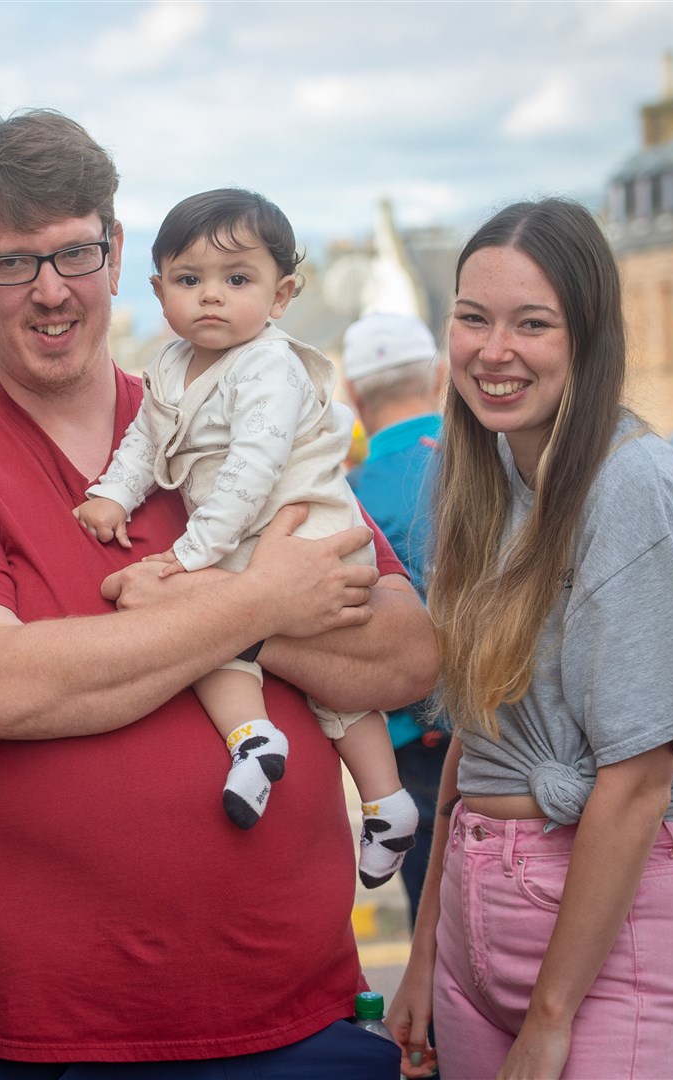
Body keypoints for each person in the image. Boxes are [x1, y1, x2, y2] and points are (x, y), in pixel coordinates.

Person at [0, 107, 437, 1077]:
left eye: (76, 253)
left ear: (119, 254)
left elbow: (407, 651)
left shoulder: (239, 402)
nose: (51, 292)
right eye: (10, 263)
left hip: (305, 1022)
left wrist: (219, 611)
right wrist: (260, 602)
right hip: (70, 1042)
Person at [386, 199, 673, 1080]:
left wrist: (550, 1015)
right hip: (468, 923)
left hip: (606, 955)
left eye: (531, 324)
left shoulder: (630, 489)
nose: (492, 352)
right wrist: (425, 951)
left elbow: (638, 780)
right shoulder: (485, 473)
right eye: (472, 318)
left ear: (586, 338)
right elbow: (477, 730)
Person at [73, 189, 417, 889]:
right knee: (206, 633)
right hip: (238, 533)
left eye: (236, 280)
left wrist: (187, 557)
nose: (210, 297)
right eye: (188, 279)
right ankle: (252, 741)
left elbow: (252, 471)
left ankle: (384, 799)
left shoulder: (268, 365)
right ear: (157, 288)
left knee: (333, 684)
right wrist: (113, 492)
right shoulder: (168, 366)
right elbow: (146, 438)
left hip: (299, 523)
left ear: (281, 294)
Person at [341, 310, 452, 925]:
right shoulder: (500, 467)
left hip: (415, 740)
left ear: (353, 395)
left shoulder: (347, 497)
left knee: (436, 941)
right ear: (439, 376)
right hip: (518, 733)